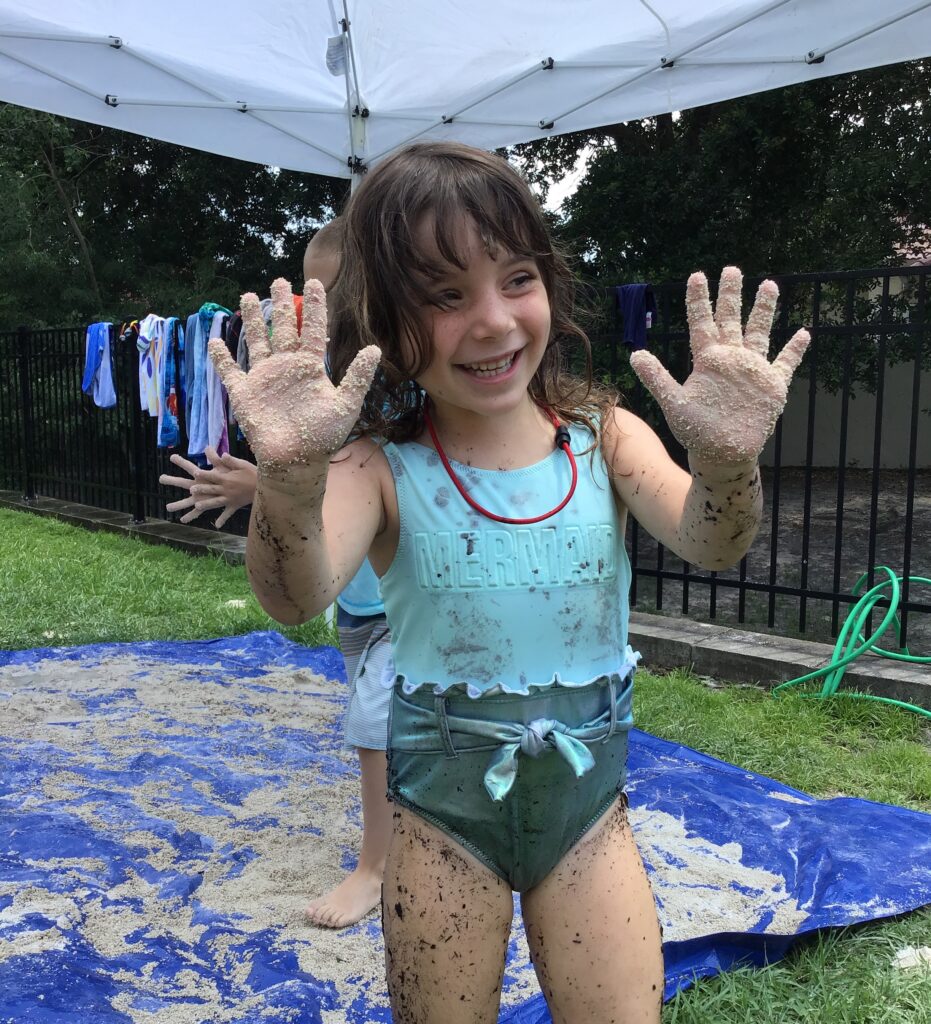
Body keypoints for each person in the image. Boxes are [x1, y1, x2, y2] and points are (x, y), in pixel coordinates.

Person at [206, 141, 809, 1024]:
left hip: (588, 814)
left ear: (548, 287)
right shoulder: (378, 468)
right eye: (444, 296)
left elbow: (709, 542)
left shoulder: (600, 435)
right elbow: (292, 594)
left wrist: (724, 465)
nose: (491, 321)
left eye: (514, 278)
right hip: (440, 824)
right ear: (381, 319)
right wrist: (289, 486)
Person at [159, 219, 394, 929]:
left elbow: (373, 477)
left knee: (377, 721)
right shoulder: (311, 384)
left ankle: (377, 867)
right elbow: (317, 482)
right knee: (385, 713)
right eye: (310, 291)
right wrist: (262, 484)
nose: (318, 308)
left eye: (338, 293)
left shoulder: (395, 388)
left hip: (402, 600)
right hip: (356, 600)